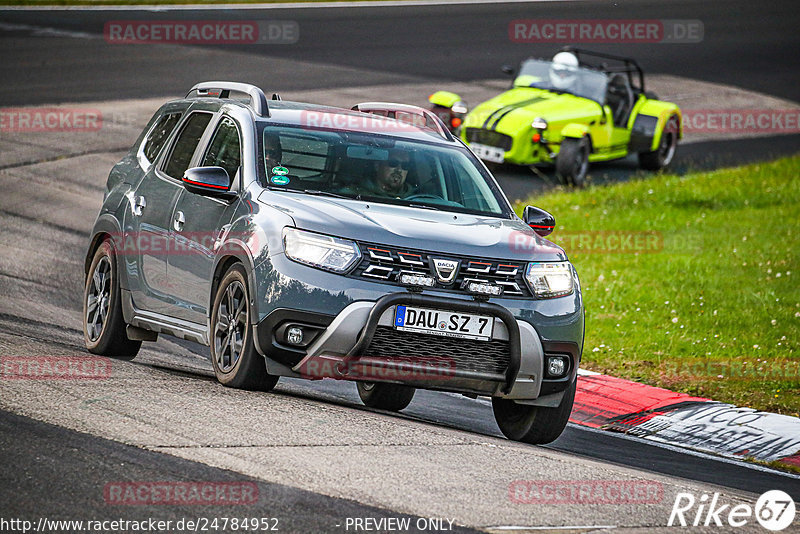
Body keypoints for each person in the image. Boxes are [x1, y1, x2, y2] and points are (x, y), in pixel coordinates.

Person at [343, 149, 415, 198]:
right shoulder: (353, 194)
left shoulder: (414, 198)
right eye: (393, 163)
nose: (399, 170)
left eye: (405, 166)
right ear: (377, 166)